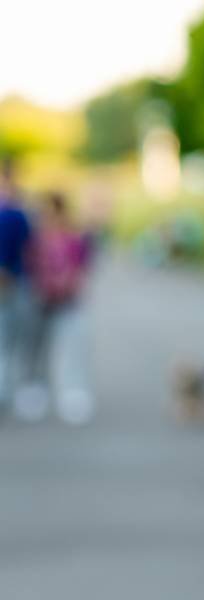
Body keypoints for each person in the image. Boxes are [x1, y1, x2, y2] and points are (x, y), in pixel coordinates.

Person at [22, 192, 95, 424]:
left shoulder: (75, 238)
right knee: (36, 349)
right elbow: (27, 266)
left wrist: (69, 283)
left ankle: (73, 394)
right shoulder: (34, 239)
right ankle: (35, 391)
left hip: (68, 301)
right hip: (40, 300)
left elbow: (82, 267)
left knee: (73, 349)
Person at [0, 158, 33, 414]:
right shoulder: (19, 212)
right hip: (14, 281)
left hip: (14, 282)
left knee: (10, 340)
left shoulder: (18, 212)